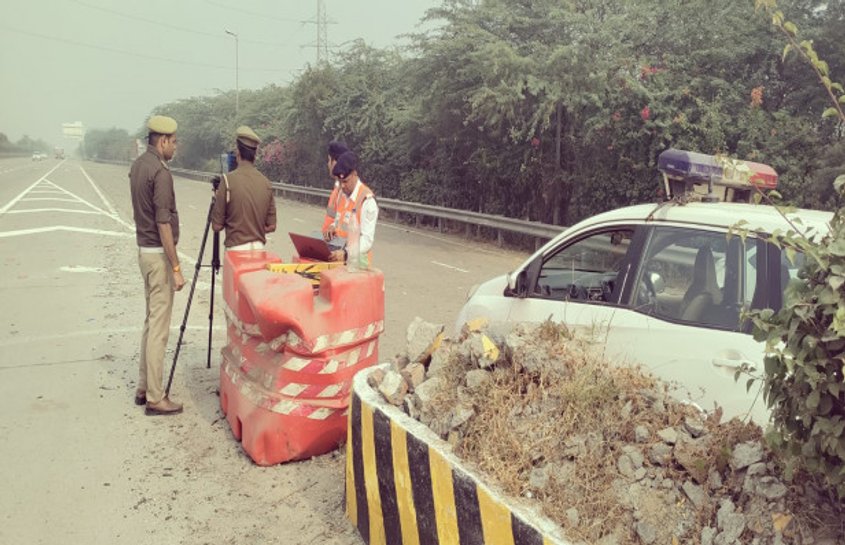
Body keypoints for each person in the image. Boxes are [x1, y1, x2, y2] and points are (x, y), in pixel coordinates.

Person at [129, 115, 186, 416]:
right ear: (162, 140)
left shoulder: (138, 165)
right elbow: (163, 222)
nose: (175, 147)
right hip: (158, 256)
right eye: (174, 142)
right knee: (159, 329)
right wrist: (175, 267)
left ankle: (143, 387)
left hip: (143, 252)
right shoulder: (161, 173)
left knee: (150, 322)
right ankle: (155, 396)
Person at [211, 126, 277, 251]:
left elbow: (216, 226)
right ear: (255, 154)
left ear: (237, 152)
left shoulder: (227, 180)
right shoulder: (266, 183)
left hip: (235, 251)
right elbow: (272, 226)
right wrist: (253, 230)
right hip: (259, 250)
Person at [327, 151, 379, 265]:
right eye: (340, 182)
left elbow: (367, 240)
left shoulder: (367, 201)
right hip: (339, 261)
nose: (343, 186)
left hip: (358, 265)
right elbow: (338, 221)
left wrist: (346, 253)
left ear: (355, 174)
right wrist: (332, 227)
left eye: (345, 181)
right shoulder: (341, 194)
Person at [321, 140, 348, 241]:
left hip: (343, 250)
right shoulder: (338, 189)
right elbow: (335, 220)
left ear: (335, 162)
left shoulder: (348, 191)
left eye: (329, 160)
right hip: (331, 244)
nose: (328, 164)